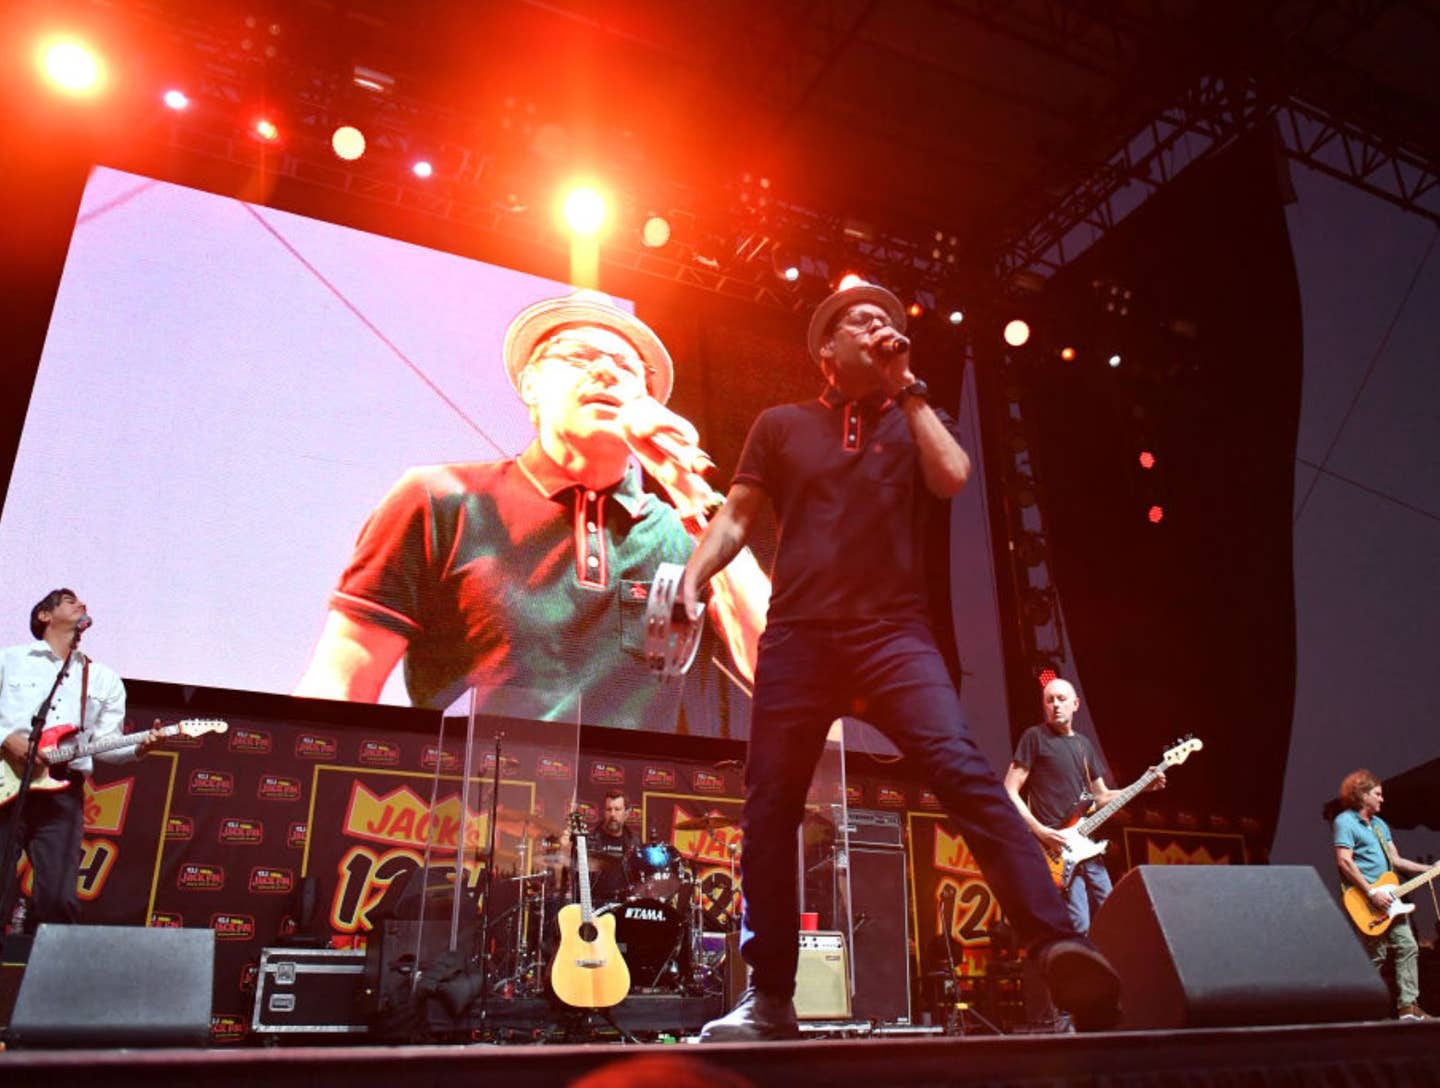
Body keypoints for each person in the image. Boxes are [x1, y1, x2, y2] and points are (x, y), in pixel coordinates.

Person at [680, 281, 1120, 1040]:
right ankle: (774, 998)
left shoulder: (914, 417)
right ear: (826, 352)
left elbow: (952, 477)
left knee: (962, 770)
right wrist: (694, 573)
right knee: (770, 806)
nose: (879, 324)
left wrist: (909, 391)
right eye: (861, 319)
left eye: (887, 318)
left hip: (894, 636)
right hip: (800, 636)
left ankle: (1058, 944)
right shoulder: (782, 425)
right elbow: (739, 515)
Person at [296, 290, 767, 733]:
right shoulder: (440, 499)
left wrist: (689, 491)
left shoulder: (684, 534)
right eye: (578, 356)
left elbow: (776, 663)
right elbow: (342, 678)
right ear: (530, 385)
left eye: (626, 366)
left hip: (629, 811)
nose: (604, 371)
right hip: (470, 804)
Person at [0, 589, 161, 933]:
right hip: (6, 781)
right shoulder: (10, 659)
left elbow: (104, 745)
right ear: (45, 615)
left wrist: (139, 747)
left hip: (61, 791)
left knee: (58, 898)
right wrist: (6, 738)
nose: (82, 604)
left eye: (83, 602)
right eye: (70, 600)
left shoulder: (102, 678)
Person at [1003, 677, 1163, 935]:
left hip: (1084, 843)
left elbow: (1101, 797)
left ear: (1076, 704)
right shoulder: (1035, 737)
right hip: (1054, 847)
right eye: (1049, 700)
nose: (1055, 705)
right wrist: (1040, 831)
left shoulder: (1083, 744)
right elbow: (1009, 790)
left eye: (1061, 699)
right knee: (1080, 923)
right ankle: (1075, 971)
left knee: (1113, 911)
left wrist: (1142, 785)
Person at [1332, 769, 1432, 1020]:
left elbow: (1396, 861)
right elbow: (1344, 862)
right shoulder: (1345, 821)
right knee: (1374, 954)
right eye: (1377, 794)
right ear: (1362, 795)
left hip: (1391, 898)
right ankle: (1359, 1008)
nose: (1382, 799)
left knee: (1408, 946)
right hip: (1366, 900)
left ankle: (1408, 1007)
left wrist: (1431, 869)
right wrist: (1371, 893)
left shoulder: (1380, 826)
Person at [588, 789, 638, 903]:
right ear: (603, 812)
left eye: (617, 809)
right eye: (609, 809)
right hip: (595, 904)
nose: (612, 814)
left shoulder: (634, 842)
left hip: (624, 905)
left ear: (627, 813)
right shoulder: (589, 840)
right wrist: (567, 848)